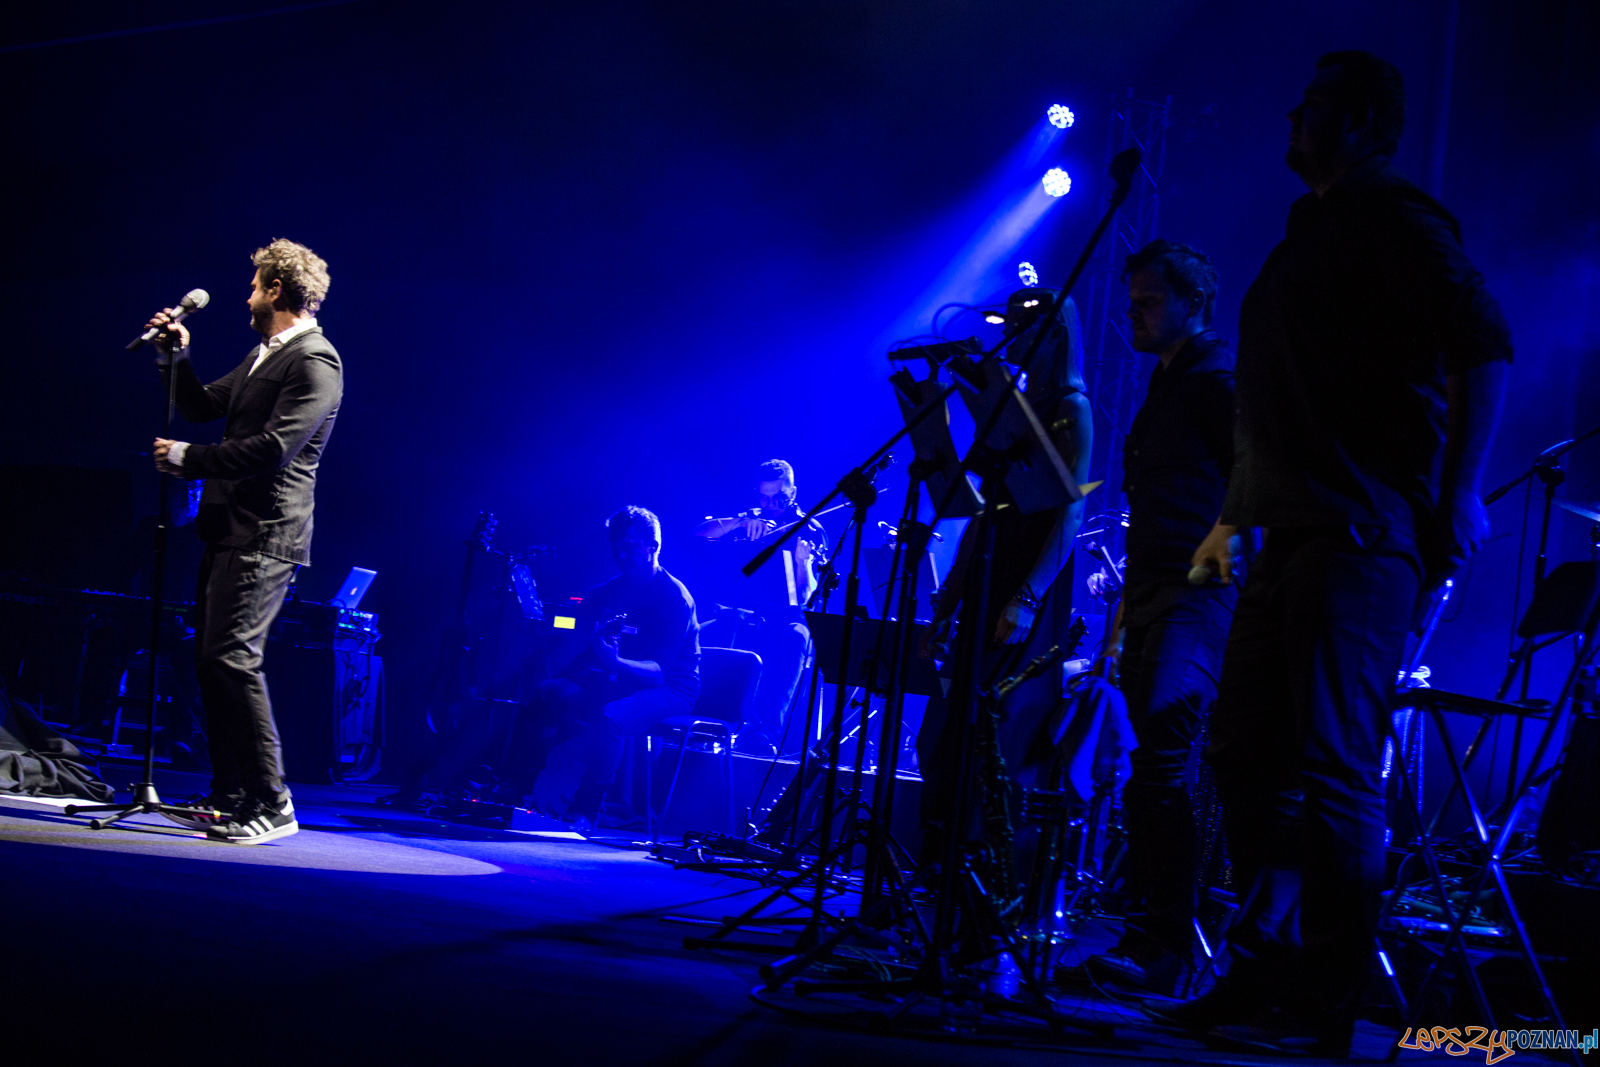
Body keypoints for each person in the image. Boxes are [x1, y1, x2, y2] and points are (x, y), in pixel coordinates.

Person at [1161, 53, 1511, 1055]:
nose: (1289, 114)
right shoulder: (1309, 226)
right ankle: (1262, 960)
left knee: (1334, 764)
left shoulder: (1398, 216)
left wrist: (1457, 489)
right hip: (1285, 532)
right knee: (1240, 747)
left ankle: (1325, 1003)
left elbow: (1485, 342)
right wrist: (1232, 516)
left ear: (1355, 120)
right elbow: (1281, 402)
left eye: (1308, 105)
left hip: (1360, 534)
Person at [146, 239, 342, 844]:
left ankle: (273, 800)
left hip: (267, 533)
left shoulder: (314, 361)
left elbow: (272, 450)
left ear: (277, 289)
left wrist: (189, 459)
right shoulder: (267, 355)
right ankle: (229, 793)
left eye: (256, 284)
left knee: (234, 657)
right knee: (210, 659)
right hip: (232, 529)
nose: (248, 294)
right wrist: (176, 359)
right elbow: (205, 405)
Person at [1086, 241, 1238, 996]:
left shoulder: (1216, 380)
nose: (1133, 313)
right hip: (1150, 591)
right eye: (1133, 298)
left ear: (1191, 302)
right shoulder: (1166, 382)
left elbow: (1255, 468)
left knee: (1161, 764)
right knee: (1148, 765)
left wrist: (1223, 543)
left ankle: (1163, 946)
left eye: (1148, 301)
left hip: (1197, 594)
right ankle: (1150, 935)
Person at [918, 288, 1094, 888]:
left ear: (1056, 331)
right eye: (1010, 321)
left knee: (993, 734)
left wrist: (1027, 596)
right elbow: (982, 512)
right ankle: (937, 874)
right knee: (943, 731)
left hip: (1026, 582)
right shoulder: (1010, 407)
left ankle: (979, 887)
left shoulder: (1072, 406)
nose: (1014, 330)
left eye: (1027, 322)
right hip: (988, 569)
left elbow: (1069, 514)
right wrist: (947, 601)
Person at [511, 506, 701, 830]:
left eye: (628, 547)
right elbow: (575, 624)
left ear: (652, 547)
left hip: (670, 689)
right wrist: (549, 624)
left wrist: (613, 661)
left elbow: (659, 671)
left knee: (611, 717)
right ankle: (517, 793)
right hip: (622, 679)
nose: (621, 555)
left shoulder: (673, 598)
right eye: (616, 548)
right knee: (548, 693)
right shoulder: (610, 590)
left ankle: (584, 814)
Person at [692, 459, 827, 750]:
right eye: (764, 498)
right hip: (740, 613)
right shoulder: (749, 518)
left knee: (796, 637)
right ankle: (700, 721)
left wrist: (803, 564)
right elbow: (700, 535)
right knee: (695, 631)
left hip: (783, 620)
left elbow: (805, 598)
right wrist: (740, 523)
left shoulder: (809, 529)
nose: (771, 505)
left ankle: (762, 735)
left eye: (779, 498)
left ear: (793, 493)